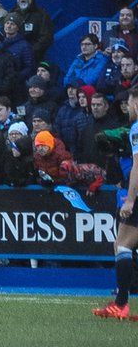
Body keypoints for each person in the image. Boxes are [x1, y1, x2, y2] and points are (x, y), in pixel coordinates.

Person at [97, 84, 138, 319]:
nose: (128, 109)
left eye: (130, 103)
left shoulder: (136, 128)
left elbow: (137, 167)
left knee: (122, 245)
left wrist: (130, 199)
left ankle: (121, 304)